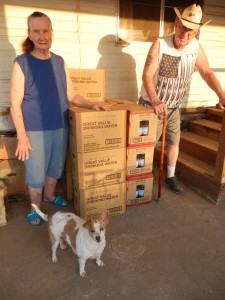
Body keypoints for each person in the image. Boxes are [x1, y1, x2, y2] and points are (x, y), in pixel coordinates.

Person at [10, 11, 109, 226]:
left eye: (45, 31)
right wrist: (22, 135)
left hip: (60, 125)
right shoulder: (22, 62)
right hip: (35, 129)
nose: (41, 36)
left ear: (51, 32)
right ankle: (35, 209)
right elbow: (15, 104)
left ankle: (49, 195)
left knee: (55, 167)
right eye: (36, 31)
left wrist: (92, 104)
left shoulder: (59, 61)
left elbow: (71, 95)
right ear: (29, 33)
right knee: (36, 172)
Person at [139, 3, 225, 193]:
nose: (185, 35)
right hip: (151, 106)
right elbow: (147, 74)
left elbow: (207, 73)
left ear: (196, 32)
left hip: (174, 107)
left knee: (174, 142)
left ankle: (170, 176)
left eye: (191, 31)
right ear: (176, 24)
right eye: (183, 28)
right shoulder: (160, 44)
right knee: (146, 145)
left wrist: (221, 94)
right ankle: (141, 177)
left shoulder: (195, 48)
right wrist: (155, 100)